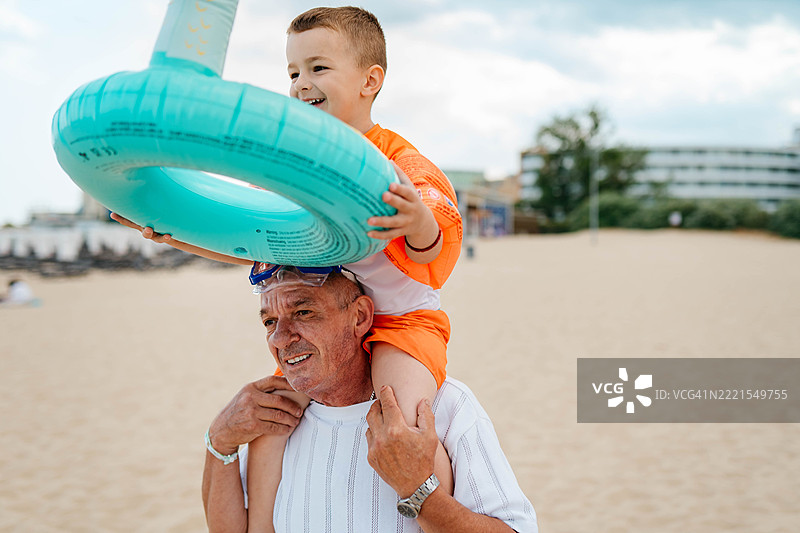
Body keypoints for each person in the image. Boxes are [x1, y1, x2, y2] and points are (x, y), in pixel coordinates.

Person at [113, 6, 462, 526]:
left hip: (401, 325)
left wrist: (414, 219)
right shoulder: (290, 173)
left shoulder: (395, 161)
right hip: (315, 322)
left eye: (318, 68)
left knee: (403, 419)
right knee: (271, 427)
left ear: (370, 81)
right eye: (293, 72)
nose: (302, 83)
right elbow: (251, 240)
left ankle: (430, 514)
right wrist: (175, 232)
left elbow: (435, 242)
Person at [201, 267, 537, 532]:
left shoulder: (443, 407)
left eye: (303, 312)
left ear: (360, 317)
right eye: (269, 321)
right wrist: (220, 440)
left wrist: (420, 491)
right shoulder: (275, 420)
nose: (280, 338)